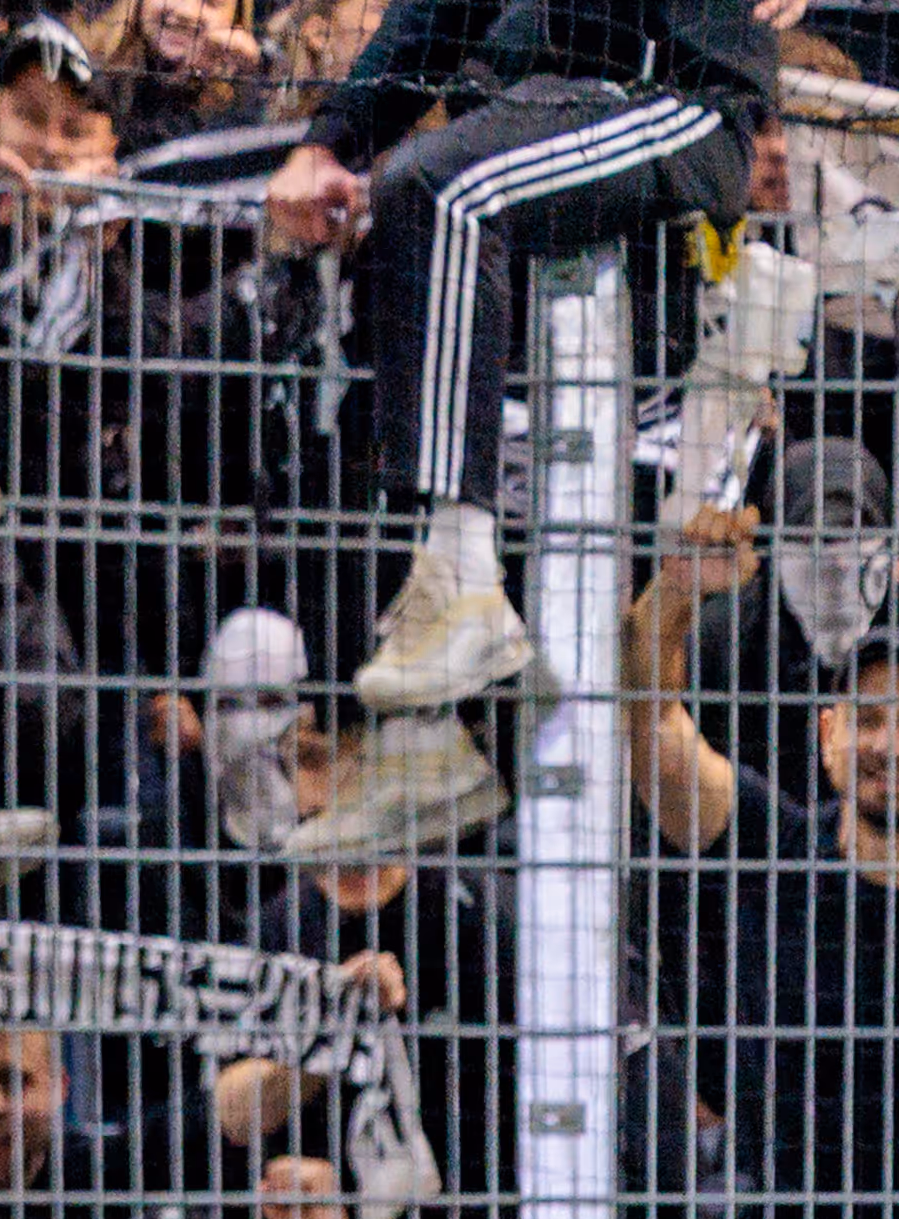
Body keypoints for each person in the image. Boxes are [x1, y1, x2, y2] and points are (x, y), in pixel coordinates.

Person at [263, 0, 775, 715]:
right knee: (419, 195)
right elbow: (434, 17)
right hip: (547, 110)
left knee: (443, 189)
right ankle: (448, 641)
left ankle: (463, 580)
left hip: (682, 100)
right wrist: (329, 143)